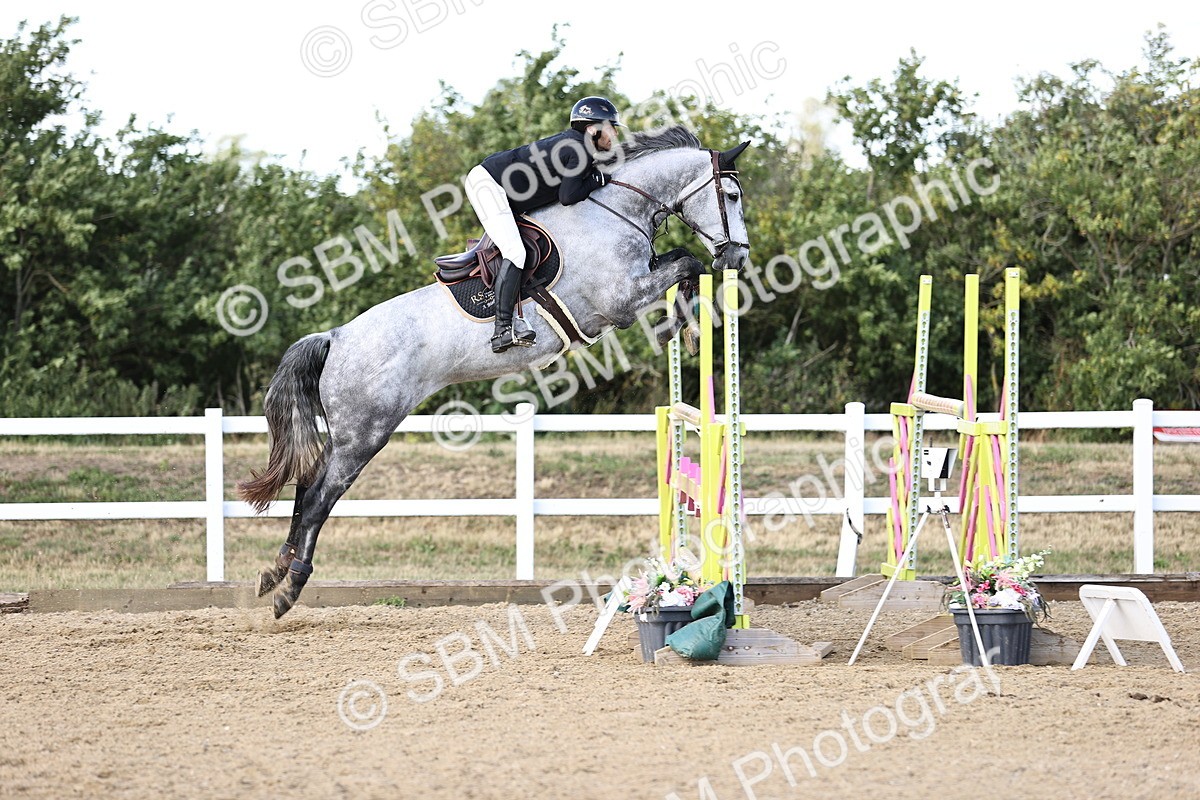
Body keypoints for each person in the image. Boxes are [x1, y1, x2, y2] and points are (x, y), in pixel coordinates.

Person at [464, 96, 621, 353]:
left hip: (497, 185)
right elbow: (568, 196)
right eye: (611, 128)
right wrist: (597, 180)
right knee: (516, 252)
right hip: (488, 184)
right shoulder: (579, 149)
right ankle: (502, 330)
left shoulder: (576, 146)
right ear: (593, 129)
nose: (615, 134)